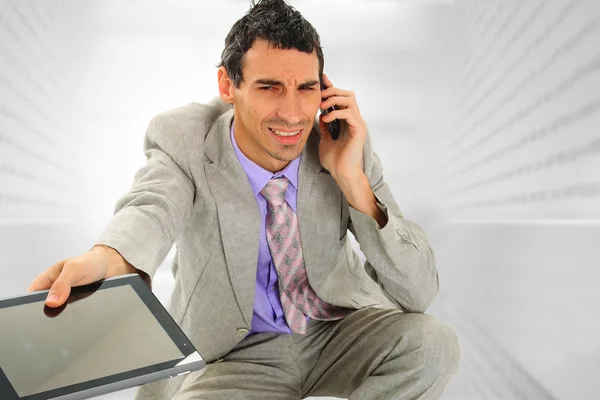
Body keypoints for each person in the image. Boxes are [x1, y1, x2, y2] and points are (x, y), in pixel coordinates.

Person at [27, 0, 460, 398]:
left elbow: (418, 292)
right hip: (234, 352)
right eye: (270, 87)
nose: (292, 113)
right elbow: (151, 206)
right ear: (227, 85)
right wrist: (107, 258)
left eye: (306, 88)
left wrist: (352, 181)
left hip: (335, 330)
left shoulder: (342, 141)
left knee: (434, 344)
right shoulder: (185, 138)